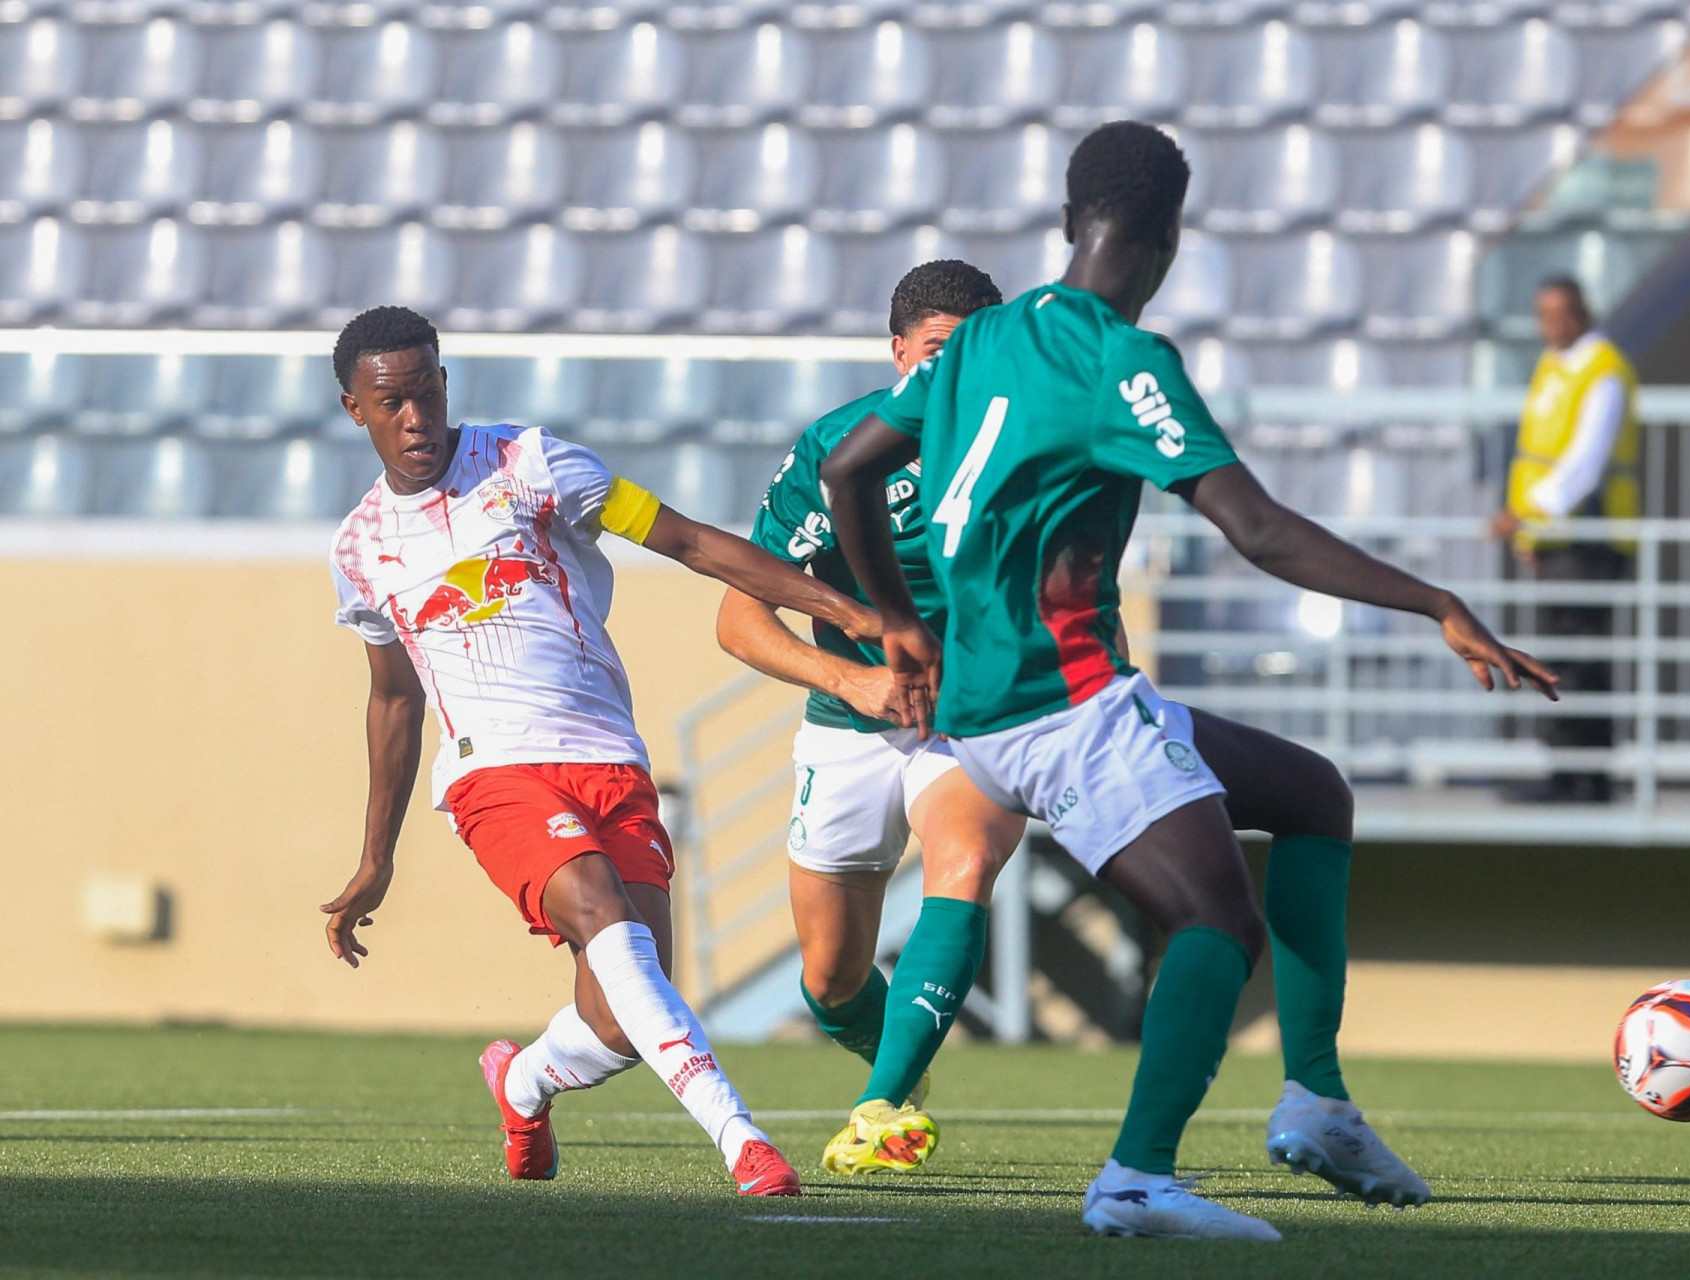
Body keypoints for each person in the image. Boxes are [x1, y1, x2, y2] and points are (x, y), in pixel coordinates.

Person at [820, 121, 1558, 1240]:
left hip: (986, 705)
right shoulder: (1122, 360)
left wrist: (901, 624)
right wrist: (1438, 601)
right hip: (1059, 700)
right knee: (1216, 917)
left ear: (1070, 223)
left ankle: (1316, 1096)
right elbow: (1256, 527)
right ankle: (1137, 1176)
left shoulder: (973, 343)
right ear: (1170, 233)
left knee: (1311, 795)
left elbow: (846, 467)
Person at [321, 306, 883, 1198]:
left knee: (620, 1015)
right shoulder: (359, 552)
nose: (416, 418)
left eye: (428, 391)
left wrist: (850, 613)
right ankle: (743, 1142)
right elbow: (394, 698)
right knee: (597, 910)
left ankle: (524, 1078)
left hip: (607, 757)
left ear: (444, 381)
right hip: (493, 769)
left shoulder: (532, 465)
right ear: (356, 409)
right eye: (393, 402)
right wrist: (375, 857)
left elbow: (692, 541)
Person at [715, 261, 1027, 1175]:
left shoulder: (1028, 445)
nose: (956, 377)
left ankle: (883, 1103)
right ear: (898, 354)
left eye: (977, 356)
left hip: (975, 713)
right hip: (852, 718)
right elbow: (738, 617)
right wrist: (850, 680)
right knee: (830, 980)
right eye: (937, 354)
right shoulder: (838, 447)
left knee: (963, 858)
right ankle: (889, 1056)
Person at [1490, 276, 1640, 804]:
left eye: (1561, 312)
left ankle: (1588, 776)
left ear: (1582, 312)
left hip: (1591, 538)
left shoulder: (1603, 372)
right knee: (1562, 655)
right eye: (1543, 312)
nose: (1551, 323)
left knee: (1583, 657)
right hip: (1561, 538)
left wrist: (1523, 514)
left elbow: (1583, 465)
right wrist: (1531, 532)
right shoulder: (1555, 367)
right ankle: (1567, 769)